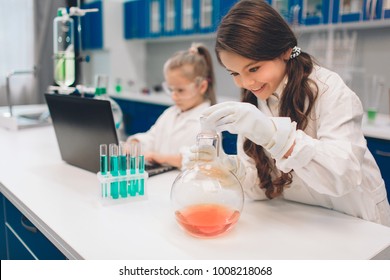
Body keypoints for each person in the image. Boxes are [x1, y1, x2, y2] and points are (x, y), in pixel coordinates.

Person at [192, 0, 390, 226]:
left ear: (285, 51)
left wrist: (278, 138)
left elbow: (343, 175)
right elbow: (262, 186)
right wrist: (229, 167)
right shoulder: (256, 102)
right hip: (305, 220)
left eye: (254, 68)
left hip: (355, 223)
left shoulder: (329, 89)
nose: (246, 82)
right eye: (234, 73)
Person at [126, 43, 216, 168]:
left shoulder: (209, 122)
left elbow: (203, 159)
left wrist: (162, 157)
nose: (174, 96)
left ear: (202, 87)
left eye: (180, 90)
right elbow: (152, 138)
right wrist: (135, 144)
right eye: (170, 89)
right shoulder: (170, 113)